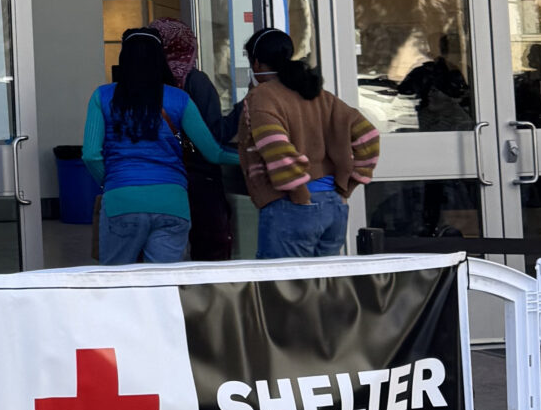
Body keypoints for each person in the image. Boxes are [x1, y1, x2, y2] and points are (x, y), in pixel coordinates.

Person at [81, 28, 240, 265]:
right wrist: (252, 159)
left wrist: (113, 183)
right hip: (172, 202)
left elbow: (91, 155)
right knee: (164, 285)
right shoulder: (179, 99)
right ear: (160, 59)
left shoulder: (102, 96)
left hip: (121, 200)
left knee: (116, 283)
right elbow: (213, 153)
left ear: (124, 58)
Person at [240, 29, 382, 259]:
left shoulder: (262, 96)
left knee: (284, 290)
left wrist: (299, 195)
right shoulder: (318, 94)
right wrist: (346, 188)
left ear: (256, 63)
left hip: (291, 207)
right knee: (323, 289)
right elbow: (369, 136)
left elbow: (275, 147)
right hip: (333, 207)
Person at [147, 17, 240, 259]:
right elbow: (214, 135)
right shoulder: (195, 81)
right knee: (209, 254)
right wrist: (244, 109)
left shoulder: (137, 85)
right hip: (199, 179)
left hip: (157, 182)